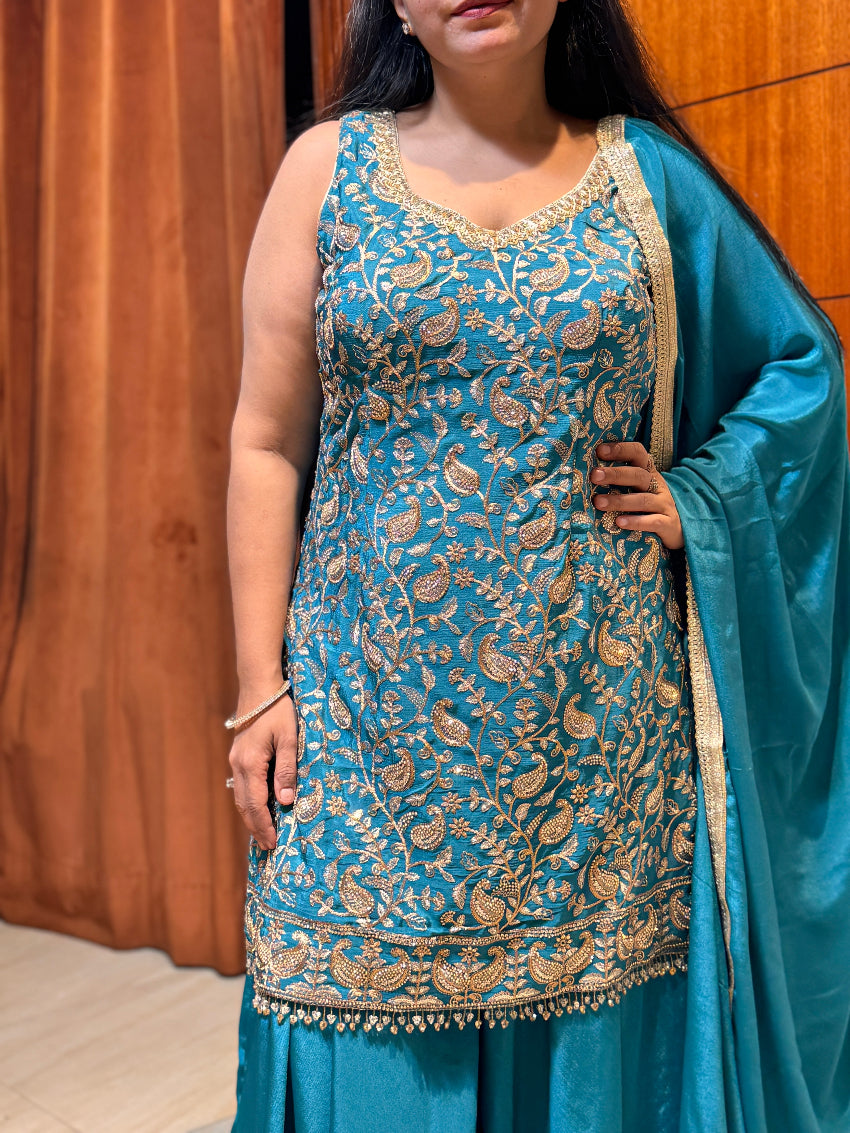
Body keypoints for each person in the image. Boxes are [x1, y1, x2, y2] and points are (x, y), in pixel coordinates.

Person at [224, 1, 850, 1130]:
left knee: (593, 1055)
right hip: (363, 718)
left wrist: (698, 494)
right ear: (395, 6)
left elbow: (800, 370)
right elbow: (266, 443)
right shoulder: (326, 167)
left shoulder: (641, 179)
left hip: (595, 727)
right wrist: (255, 690)